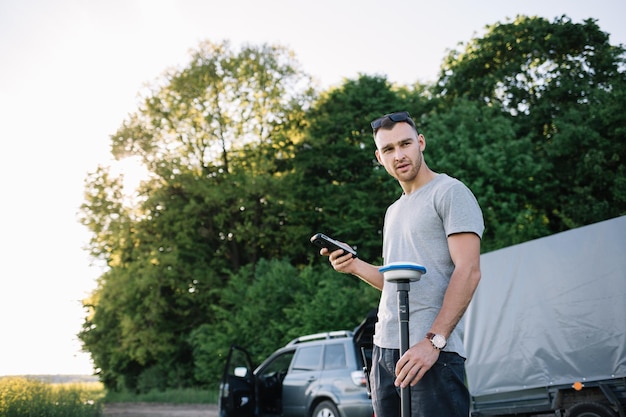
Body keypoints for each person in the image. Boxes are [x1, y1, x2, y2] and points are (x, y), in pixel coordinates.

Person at [320, 111, 484, 417]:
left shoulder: (449, 193)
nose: (399, 155)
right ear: (379, 158)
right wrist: (353, 266)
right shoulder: (393, 211)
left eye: (405, 144)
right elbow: (396, 283)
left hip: (431, 353)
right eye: (388, 149)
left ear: (420, 143)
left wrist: (432, 342)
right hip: (385, 352)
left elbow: (469, 271)